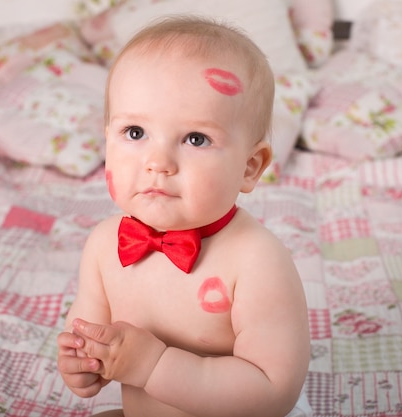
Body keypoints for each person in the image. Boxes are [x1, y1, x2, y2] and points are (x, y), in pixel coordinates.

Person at [57, 15, 311, 417]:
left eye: (196, 139)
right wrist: (85, 363)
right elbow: (88, 334)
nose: (158, 162)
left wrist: (153, 367)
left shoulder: (257, 260)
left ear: (249, 166)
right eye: (135, 132)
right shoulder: (105, 245)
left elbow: (272, 392)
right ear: (106, 137)